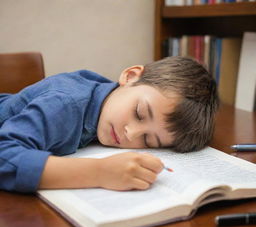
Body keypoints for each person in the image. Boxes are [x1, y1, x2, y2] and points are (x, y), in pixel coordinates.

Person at [0, 56, 219, 193]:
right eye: (139, 113)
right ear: (131, 76)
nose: (131, 134)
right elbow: (4, 156)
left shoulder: (109, 102)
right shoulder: (65, 103)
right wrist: (100, 172)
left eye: (147, 140)